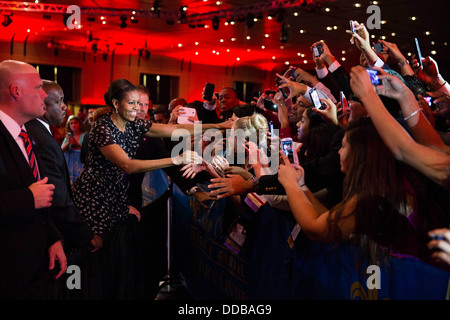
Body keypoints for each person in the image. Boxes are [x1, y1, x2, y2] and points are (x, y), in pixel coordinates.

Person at [277, 117, 448, 265]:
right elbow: (328, 219)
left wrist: (290, 184)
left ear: (360, 153)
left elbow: (316, 229)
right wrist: (301, 186)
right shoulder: (386, 185)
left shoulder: (372, 197)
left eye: (343, 146)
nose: (339, 152)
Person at [72, 78, 232, 236]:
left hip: (125, 203)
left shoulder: (137, 125)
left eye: (144, 104)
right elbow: (128, 166)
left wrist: (219, 126)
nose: (140, 109)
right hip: (97, 201)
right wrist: (176, 159)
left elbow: (175, 132)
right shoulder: (103, 128)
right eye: (134, 103)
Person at [0, 59, 66, 299]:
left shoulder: (25, 132)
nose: (43, 95)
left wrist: (52, 238)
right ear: (16, 91)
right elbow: (33, 194)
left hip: (33, 267)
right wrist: (28, 198)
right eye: (38, 87)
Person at [25, 80, 101, 253]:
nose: (65, 107)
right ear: (42, 103)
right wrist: (85, 235)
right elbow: (56, 197)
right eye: (59, 101)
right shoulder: (41, 138)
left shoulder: (39, 131)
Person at [61, 115, 86, 183]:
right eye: (71, 123)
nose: (73, 125)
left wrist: (77, 144)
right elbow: (60, 151)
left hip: (80, 162)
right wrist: (68, 143)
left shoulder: (84, 136)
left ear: (79, 124)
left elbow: (87, 151)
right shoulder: (68, 137)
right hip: (69, 162)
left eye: (75, 123)